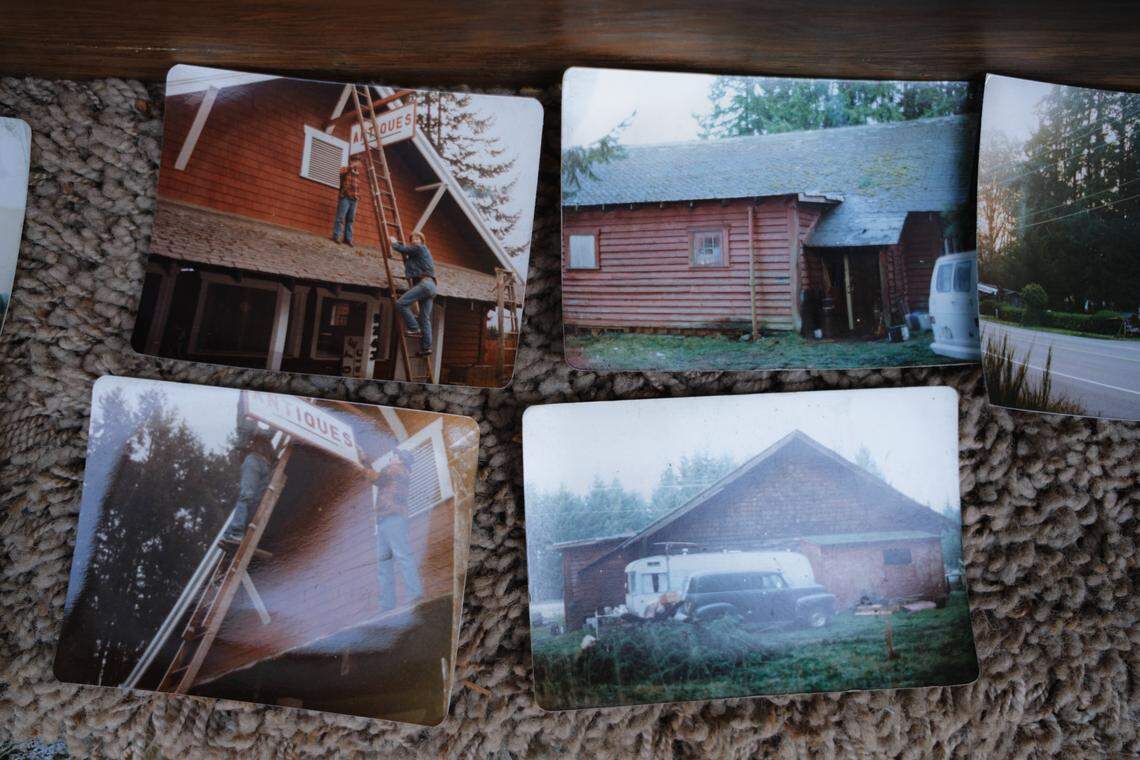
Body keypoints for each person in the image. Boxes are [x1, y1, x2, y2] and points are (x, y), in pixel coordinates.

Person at [372, 448, 423, 610]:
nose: (391, 457)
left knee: (401, 556)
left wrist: (361, 463)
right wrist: (364, 461)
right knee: (384, 564)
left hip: (393, 518)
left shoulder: (396, 469)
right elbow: (378, 478)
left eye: (395, 455)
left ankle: (414, 595)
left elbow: (375, 478)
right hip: (385, 520)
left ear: (401, 459)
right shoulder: (396, 471)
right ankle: (386, 606)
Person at [221, 416, 275, 544]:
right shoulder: (246, 422)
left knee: (256, 501)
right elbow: (265, 432)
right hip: (253, 460)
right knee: (247, 495)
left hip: (266, 464)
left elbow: (270, 433)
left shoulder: (261, 430)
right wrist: (271, 426)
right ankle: (235, 533)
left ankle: (230, 534)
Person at [390, 231, 437, 356]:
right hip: (431, 286)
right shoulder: (418, 253)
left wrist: (394, 242)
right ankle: (426, 348)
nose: (415, 241)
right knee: (424, 318)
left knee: (400, 304)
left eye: (417, 238)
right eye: (413, 239)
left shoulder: (420, 248)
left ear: (422, 240)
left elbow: (402, 249)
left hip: (425, 284)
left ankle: (414, 328)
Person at [331, 156, 363, 246]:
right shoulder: (344, 169)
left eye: (358, 162)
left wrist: (358, 196)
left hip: (354, 199)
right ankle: (336, 236)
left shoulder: (357, 173)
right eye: (356, 161)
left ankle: (348, 239)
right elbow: (341, 172)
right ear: (351, 161)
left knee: (350, 220)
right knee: (340, 218)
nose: (358, 163)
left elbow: (357, 187)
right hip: (345, 197)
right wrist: (352, 166)